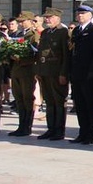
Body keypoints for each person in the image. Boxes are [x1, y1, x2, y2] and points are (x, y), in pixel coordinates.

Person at [69, 4, 93, 145]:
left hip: (89, 75)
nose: (80, 16)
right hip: (77, 74)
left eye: (83, 13)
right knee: (80, 104)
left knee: (91, 104)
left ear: (90, 15)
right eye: (78, 14)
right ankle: (83, 132)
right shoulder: (76, 30)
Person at [35, 7, 70, 140]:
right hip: (45, 71)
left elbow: (66, 55)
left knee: (59, 102)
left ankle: (59, 130)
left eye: (50, 17)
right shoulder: (45, 33)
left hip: (57, 72)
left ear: (57, 18)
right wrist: (39, 70)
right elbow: (41, 53)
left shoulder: (63, 32)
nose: (47, 19)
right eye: (46, 17)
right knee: (49, 101)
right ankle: (51, 128)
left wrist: (63, 73)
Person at [7, 11, 40, 136]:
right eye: (20, 21)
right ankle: (21, 125)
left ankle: (27, 126)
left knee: (27, 98)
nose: (21, 23)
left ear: (31, 21)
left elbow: (36, 54)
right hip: (16, 70)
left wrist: (20, 58)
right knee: (19, 98)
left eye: (23, 21)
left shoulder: (34, 35)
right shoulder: (19, 34)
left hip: (27, 71)